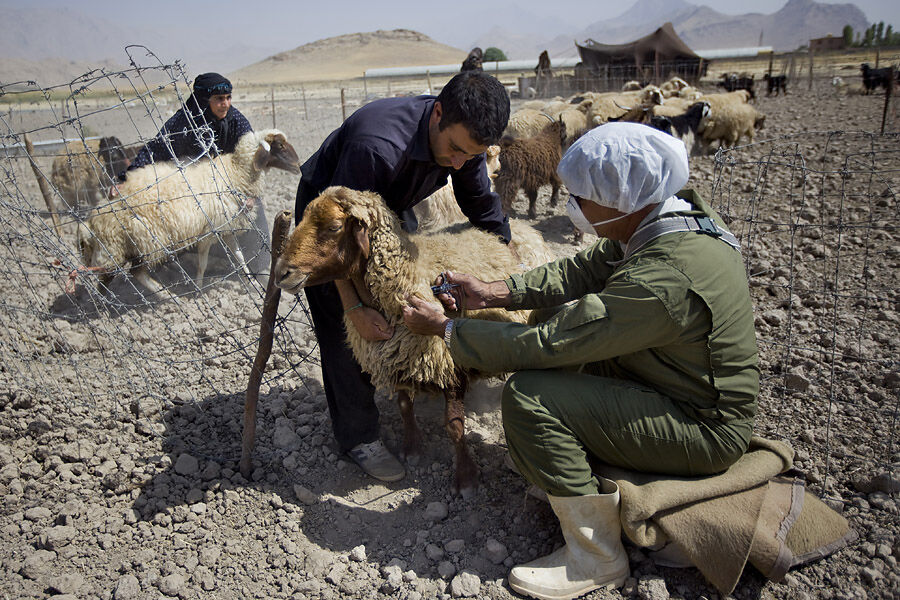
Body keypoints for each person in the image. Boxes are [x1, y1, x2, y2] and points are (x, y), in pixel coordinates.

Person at [402, 122, 759, 600]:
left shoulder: (663, 278)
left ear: (622, 199)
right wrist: (493, 291)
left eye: (582, 197)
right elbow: (580, 270)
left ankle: (595, 556)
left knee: (530, 397)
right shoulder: (663, 221)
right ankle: (576, 464)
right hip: (666, 375)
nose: (572, 207)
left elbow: (552, 344)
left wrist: (448, 330)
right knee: (548, 320)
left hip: (703, 425)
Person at [294, 71, 512, 483]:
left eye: (471, 154)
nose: (459, 162)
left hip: (389, 206)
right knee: (347, 329)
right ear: (438, 115)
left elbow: (480, 200)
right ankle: (359, 436)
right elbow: (342, 234)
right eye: (454, 150)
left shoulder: (461, 142)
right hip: (330, 223)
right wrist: (355, 305)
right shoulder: (375, 147)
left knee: (398, 293)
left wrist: (504, 256)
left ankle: (411, 386)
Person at [117, 73, 268, 277]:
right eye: (219, 99)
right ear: (205, 101)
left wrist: (250, 195)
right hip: (192, 190)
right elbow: (155, 150)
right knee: (178, 221)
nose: (225, 104)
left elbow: (251, 158)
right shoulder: (183, 123)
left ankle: (254, 266)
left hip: (228, 189)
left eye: (228, 97)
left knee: (252, 217)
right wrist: (128, 178)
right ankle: (181, 264)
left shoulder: (236, 121)